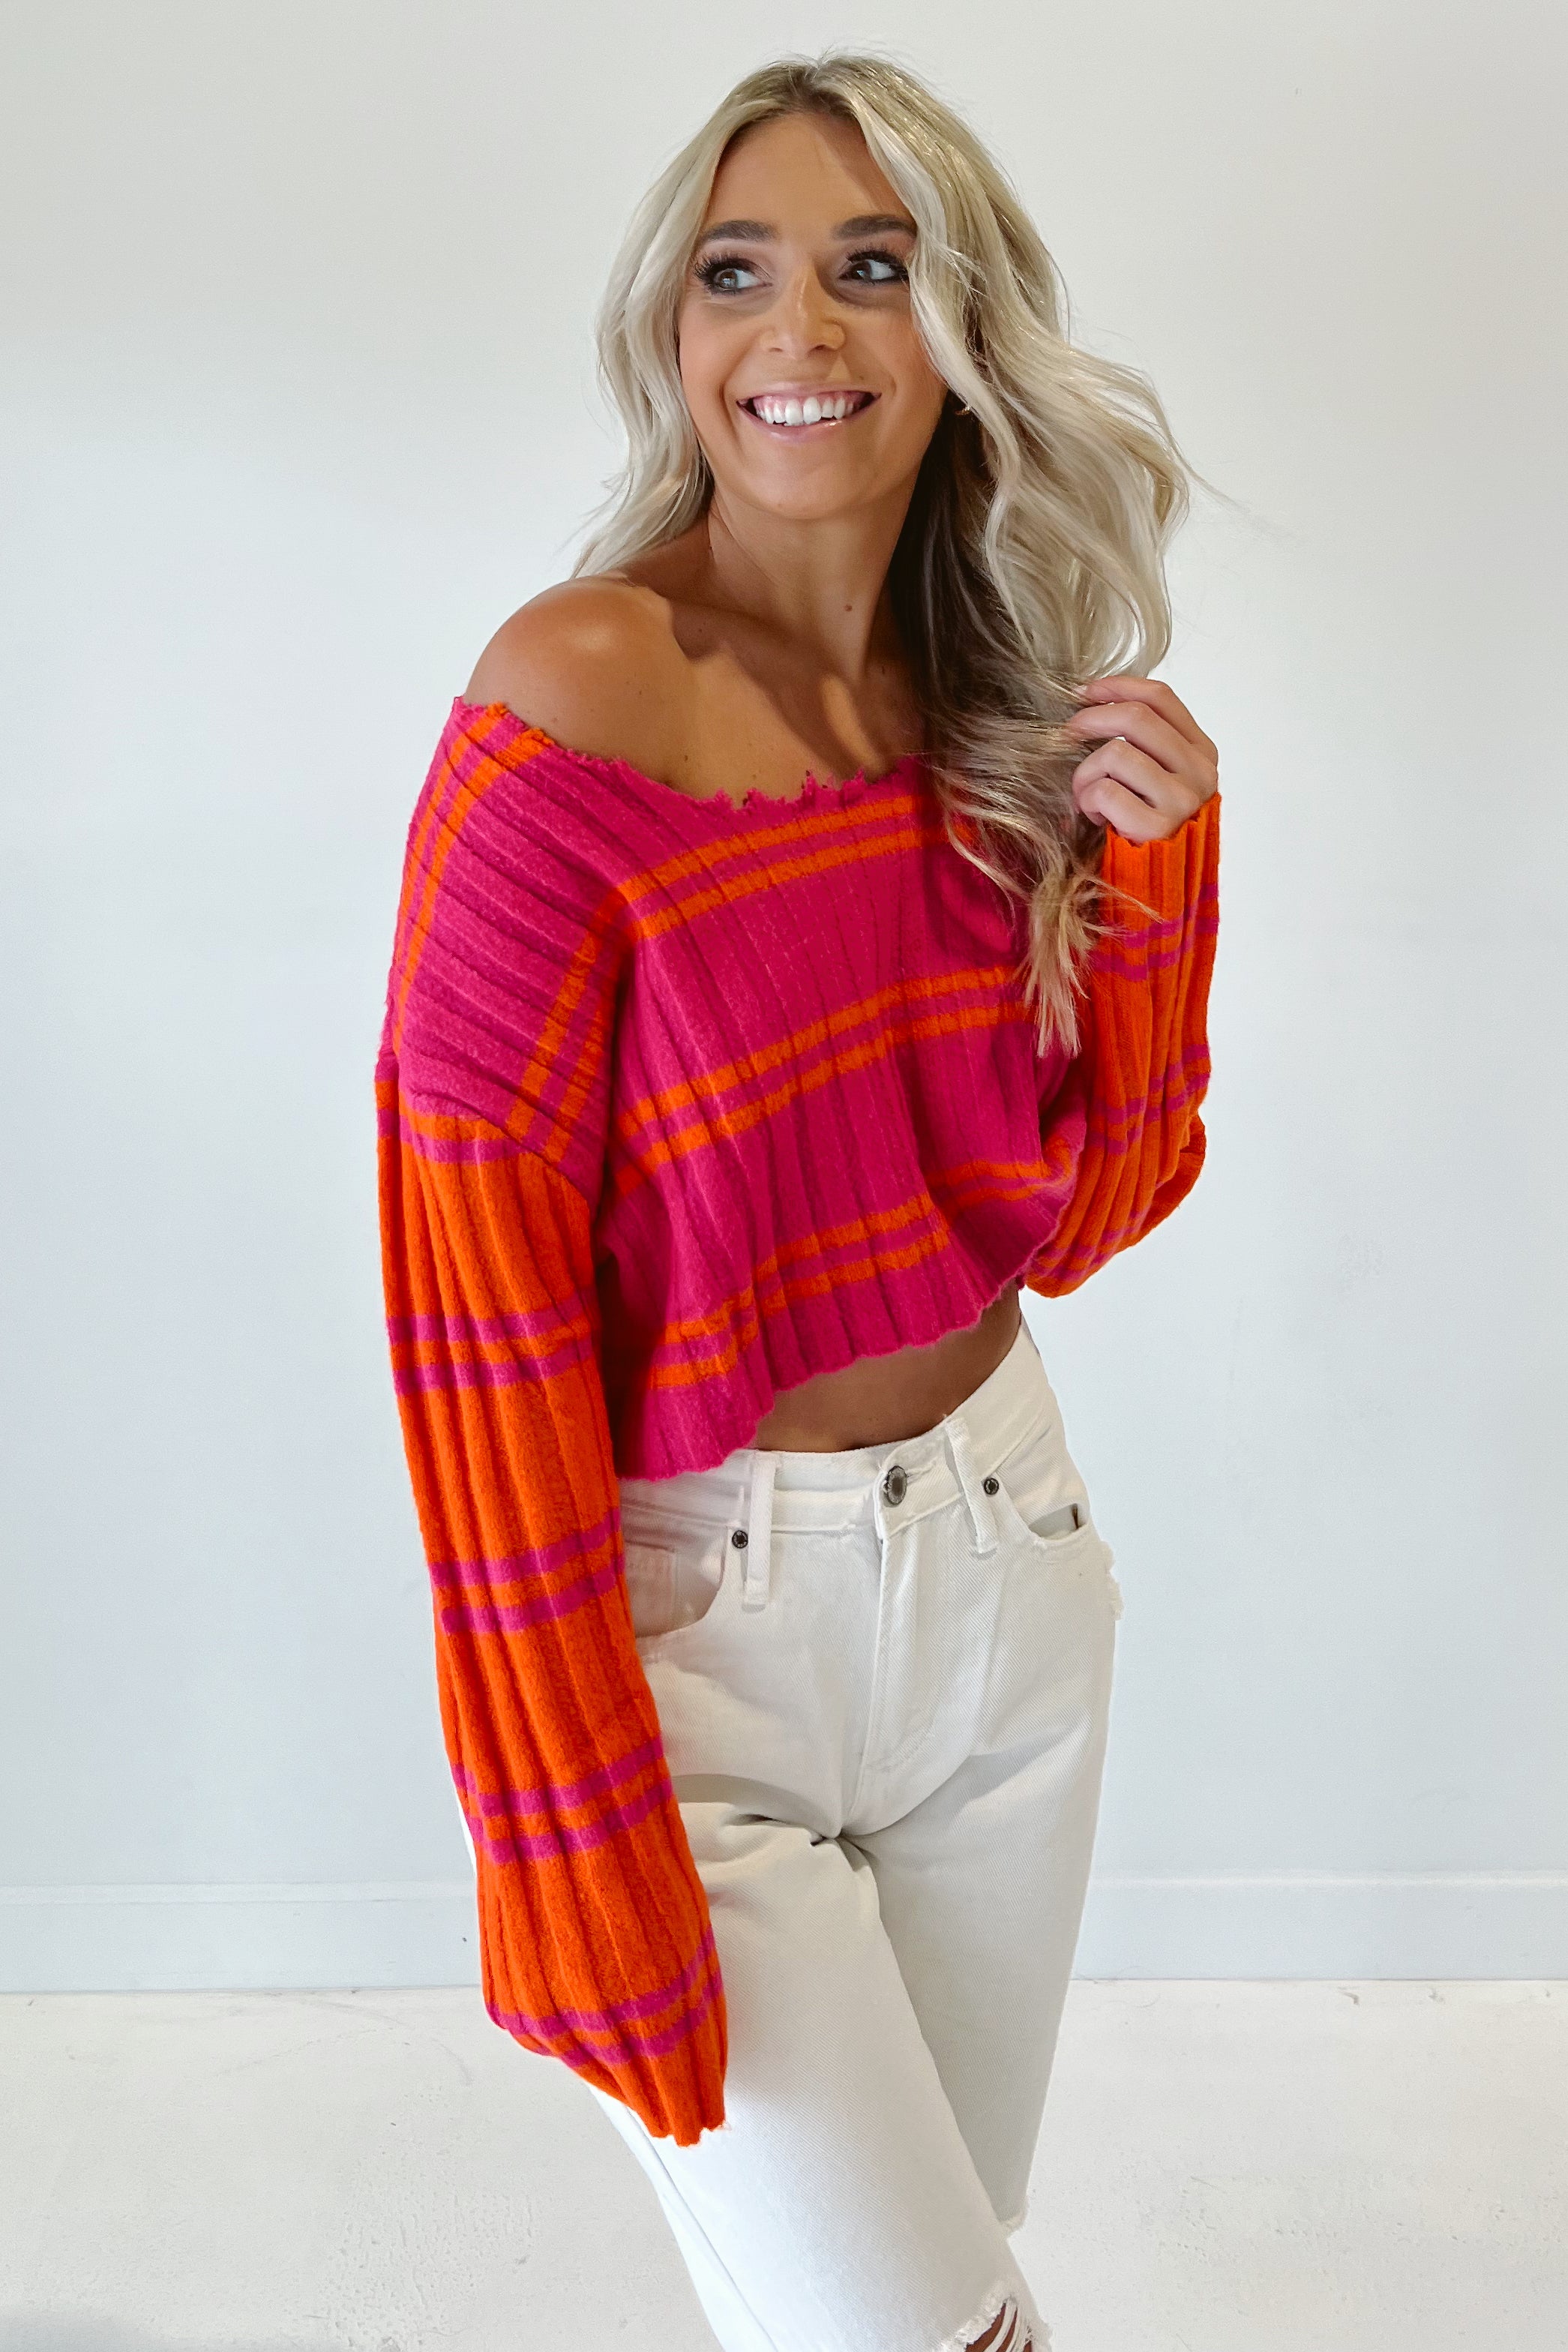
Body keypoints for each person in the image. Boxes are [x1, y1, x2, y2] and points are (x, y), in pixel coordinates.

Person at [376, 50, 1219, 2352]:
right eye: (737, 272)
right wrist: (554, 1822)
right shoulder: (573, 698)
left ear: (959, 330)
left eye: (871, 266)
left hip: (1008, 1582)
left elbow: (1085, 1215)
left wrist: (1153, 885)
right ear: (671, 328)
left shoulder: (990, 709)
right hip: (701, 1646)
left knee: (903, 2294)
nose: (802, 330)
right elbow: (472, 1311)